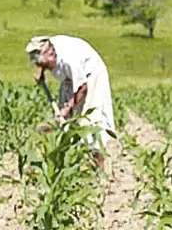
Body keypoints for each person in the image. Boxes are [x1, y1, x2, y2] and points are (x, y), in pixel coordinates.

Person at [25, 35, 115, 169]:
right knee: (66, 121)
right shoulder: (47, 46)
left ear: (51, 55)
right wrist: (41, 71)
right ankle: (70, 162)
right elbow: (42, 56)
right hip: (72, 78)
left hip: (91, 74)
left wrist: (67, 108)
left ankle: (98, 168)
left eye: (45, 66)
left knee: (90, 120)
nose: (47, 68)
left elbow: (83, 87)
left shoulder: (69, 60)